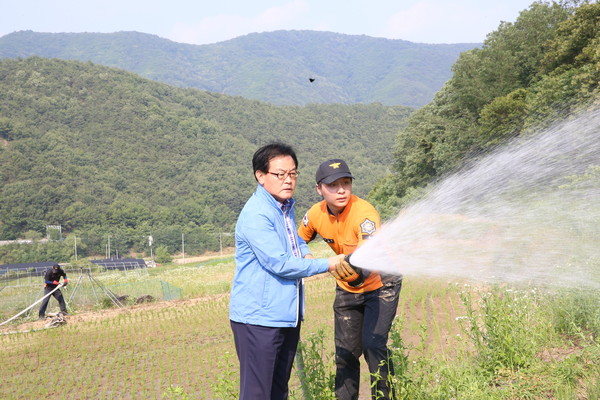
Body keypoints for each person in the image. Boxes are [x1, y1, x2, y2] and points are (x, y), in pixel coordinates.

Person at [229, 143, 345, 400]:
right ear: (261, 176)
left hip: (284, 316)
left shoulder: (282, 207)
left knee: (278, 389)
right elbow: (279, 263)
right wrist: (327, 263)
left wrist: (306, 254)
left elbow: (294, 240)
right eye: (280, 174)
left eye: (293, 173)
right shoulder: (257, 215)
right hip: (258, 319)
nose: (288, 180)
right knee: (258, 393)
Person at [298, 159, 403, 400]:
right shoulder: (315, 214)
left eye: (346, 183)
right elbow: (299, 239)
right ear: (319, 189)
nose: (341, 190)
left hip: (381, 283)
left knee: (373, 346)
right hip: (347, 286)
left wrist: (347, 267)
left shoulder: (364, 213)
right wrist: (308, 257)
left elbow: (367, 255)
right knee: (345, 353)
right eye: (333, 185)